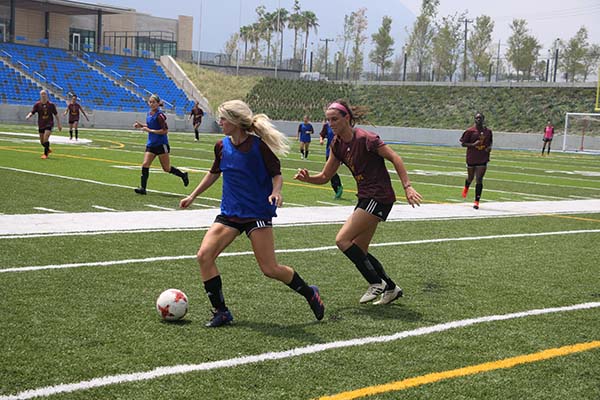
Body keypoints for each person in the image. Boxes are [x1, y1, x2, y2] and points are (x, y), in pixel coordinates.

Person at [179, 99, 324, 327]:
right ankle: (221, 311)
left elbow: (277, 175)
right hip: (230, 213)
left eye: (224, 119)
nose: (220, 122)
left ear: (236, 122)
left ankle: (309, 293)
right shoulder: (221, 146)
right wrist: (192, 196)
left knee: (270, 269)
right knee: (204, 257)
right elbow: (213, 173)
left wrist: (276, 192)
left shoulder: (259, 146)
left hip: (257, 213)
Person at [294, 99, 422, 305]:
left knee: (342, 240)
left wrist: (407, 186)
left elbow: (395, 157)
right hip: (366, 197)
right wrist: (308, 178)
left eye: (334, 119)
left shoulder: (366, 138)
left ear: (347, 118)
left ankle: (375, 282)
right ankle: (390, 287)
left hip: (378, 196)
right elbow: (326, 176)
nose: (331, 124)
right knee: (359, 248)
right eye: (328, 120)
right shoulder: (337, 144)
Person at [133, 94, 189, 195]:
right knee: (145, 164)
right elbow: (151, 125)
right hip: (151, 144)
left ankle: (183, 175)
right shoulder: (149, 114)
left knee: (166, 168)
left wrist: (149, 130)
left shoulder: (160, 116)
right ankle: (143, 188)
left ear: (158, 103)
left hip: (161, 144)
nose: (152, 104)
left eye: (154, 102)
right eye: (150, 102)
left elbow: (165, 131)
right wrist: (141, 125)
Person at [460, 112, 493, 209]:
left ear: (483, 119)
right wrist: (473, 144)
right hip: (471, 157)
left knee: (479, 179)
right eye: (477, 118)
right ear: (474, 119)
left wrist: (489, 148)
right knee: (470, 177)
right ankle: (466, 187)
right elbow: (463, 144)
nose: (479, 120)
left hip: (483, 157)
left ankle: (476, 201)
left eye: (480, 118)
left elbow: (490, 142)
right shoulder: (470, 131)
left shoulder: (488, 131)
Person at [26, 90, 62, 159]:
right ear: (40, 95)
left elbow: (56, 115)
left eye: (44, 94)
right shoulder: (37, 104)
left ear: (47, 95)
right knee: (42, 141)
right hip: (41, 124)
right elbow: (33, 112)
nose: (43, 95)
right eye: (42, 94)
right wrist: (29, 115)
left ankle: (45, 154)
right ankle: (48, 149)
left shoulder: (51, 105)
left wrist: (59, 124)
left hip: (49, 123)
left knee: (46, 137)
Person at [319, 119, 344, 199]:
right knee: (330, 172)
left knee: (331, 171)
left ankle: (338, 188)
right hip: (329, 152)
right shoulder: (326, 126)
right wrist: (321, 140)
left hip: (339, 152)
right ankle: (338, 188)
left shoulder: (341, 126)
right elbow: (322, 134)